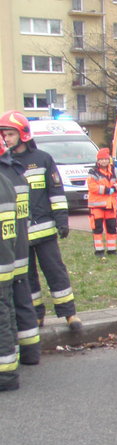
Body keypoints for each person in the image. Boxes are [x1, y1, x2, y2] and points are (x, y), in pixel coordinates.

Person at [0, 111, 82, 332]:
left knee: (55, 271)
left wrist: (62, 220)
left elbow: (55, 192)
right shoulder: (5, 164)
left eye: (10, 134)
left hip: (44, 231)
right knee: (28, 278)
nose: (6, 139)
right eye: (3, 134)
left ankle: (69, 314)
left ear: (23, 134)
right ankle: (36, 316)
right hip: (19, 235)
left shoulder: (42, 159)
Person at [0, 142, 40, 365]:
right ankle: (30, 353)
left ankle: (8, 364)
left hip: (6, 253)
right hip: (18, 247)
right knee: (21, 298)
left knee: (5, 308)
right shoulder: (16, 172)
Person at [0, 163, 19, 391]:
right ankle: (11, 360)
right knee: (7, 310)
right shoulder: (6, 181)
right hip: (7, 257)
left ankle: (5, 375)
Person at [87, 148, 117, 257]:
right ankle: (99, 251)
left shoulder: (115, 171)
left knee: (111, 227)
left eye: (105, 159)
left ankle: (112, 250)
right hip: (97, 205)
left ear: (109, 160)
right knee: (97, 229)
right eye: (101, 159)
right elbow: (92, 187)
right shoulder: (93, 172)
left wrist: (115, 188)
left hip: (111, 205)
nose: (103, 161)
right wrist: (108, 190)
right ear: (98, 161)